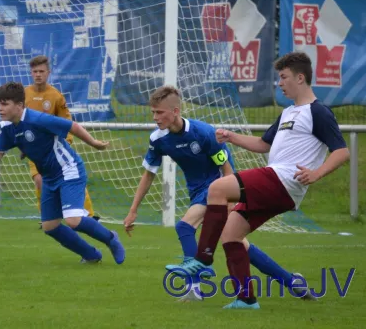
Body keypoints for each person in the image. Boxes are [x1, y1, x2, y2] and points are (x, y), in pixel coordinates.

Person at [175, 52, 350, 309]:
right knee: (231, 234)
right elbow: (262, 144)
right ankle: (246, 301)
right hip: (277, 183)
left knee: (217, 188)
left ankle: (202, 257)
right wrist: (232, 136)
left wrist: (316, 173)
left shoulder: (318, 112)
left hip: (284, 179)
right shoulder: (289, 112)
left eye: (284, 77)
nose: (280, 83)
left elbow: (342, 151)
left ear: (300, 78)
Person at [123, 85, 312, 302]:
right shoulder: (158, 139)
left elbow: (227, 169)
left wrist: (229, 201)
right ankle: (293, 283)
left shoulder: (203, 133)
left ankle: (194, 288)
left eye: (159, 112)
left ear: (175, 111)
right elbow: (148, 175)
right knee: (240, 245)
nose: (155, 117)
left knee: (185, 226)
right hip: (196, 193)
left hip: (217, 189)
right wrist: (133, 210)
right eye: (153, 112)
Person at [0, 81, 125, 264]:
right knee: (50, 226)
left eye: (5, 104)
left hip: (69, 170)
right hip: (50, 177)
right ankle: (91, 254)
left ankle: (111, 238)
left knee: (73, 220)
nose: (0, 108)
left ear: (19, 105)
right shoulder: (8, 126)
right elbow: (0, 147)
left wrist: (94, 143)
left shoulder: (38, 119)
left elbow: (72, 126)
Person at [24, 55, 98, 226]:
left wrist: (68, 141)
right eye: (35, 71)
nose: (38, 75)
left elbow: (67, 122)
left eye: (41, 71)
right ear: (31, 73)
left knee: (71, 179)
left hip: (55, 151)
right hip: (34, 150)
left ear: (48, 72)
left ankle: (89, 214)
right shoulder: (25, 95)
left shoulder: (55, 96)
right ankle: (47, 217)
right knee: (40, 181)